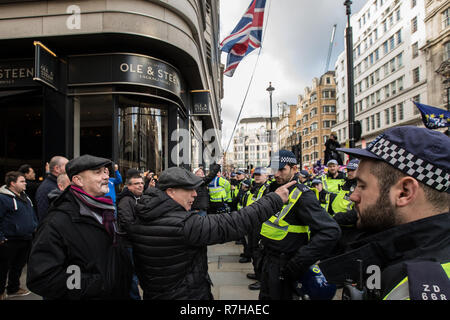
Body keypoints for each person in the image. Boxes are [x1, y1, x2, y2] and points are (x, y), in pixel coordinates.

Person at [318, 126, 450, 300]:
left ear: (404, 192)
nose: (353, 197)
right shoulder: (401, 253)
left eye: (362, 185)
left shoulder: (419, 286)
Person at [126, 166, 295, 300]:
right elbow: (233, 223)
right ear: (170, 191)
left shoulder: (141, 214)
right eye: (189, 190)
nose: (194, 194)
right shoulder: (184, 225)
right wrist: (274, 200)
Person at [26, 154, 133, 299]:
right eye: (97, 172)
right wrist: (98, 284)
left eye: (105, 171)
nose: (106, 176)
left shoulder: (107, 211)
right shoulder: (56, 222)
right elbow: (42, 278)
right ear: (78, 180)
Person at [258, 150, 341, 300]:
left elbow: (330, 231)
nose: (276, 174)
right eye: (274, 169)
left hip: (285, 264)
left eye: (282, 169)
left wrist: (300, 261)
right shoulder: (272, 189)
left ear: (294, 169)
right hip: (268, 259)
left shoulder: (303, 195)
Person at [0, 171, 38, 300]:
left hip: (25, 238)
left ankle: (13, 288)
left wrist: (34, 225)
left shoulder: (25, 197)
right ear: (12, 183)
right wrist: (1, 237)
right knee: (3, 268)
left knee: (18, 266)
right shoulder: (3, 198)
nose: (25, 183)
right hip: (9, 240)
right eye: (22, 181)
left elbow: (31, 214)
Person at [241, 167, 272, 291]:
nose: (257, 177)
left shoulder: (267, 189)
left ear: (266, 176)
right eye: (255, 175)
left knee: (260, 253)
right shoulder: (254, 188)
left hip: (261, 225)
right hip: (252, 224)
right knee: (253, 250)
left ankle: (262, 280)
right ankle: (258, 274)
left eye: (260, 175)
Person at [117, 169, 145, 301]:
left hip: (135, 243)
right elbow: (128, 224)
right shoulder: (126, 201)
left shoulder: (136, 198)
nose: (140, 185)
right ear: (128, 186)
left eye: (141, 183)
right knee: (132, 275)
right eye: (136, 184)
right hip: (128, 245)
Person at [35, 156, 69, 221]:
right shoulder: (47, 188)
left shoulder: (53, 184)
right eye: (67, 166)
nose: (69, 169)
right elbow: (44, 215)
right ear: (57, 168)